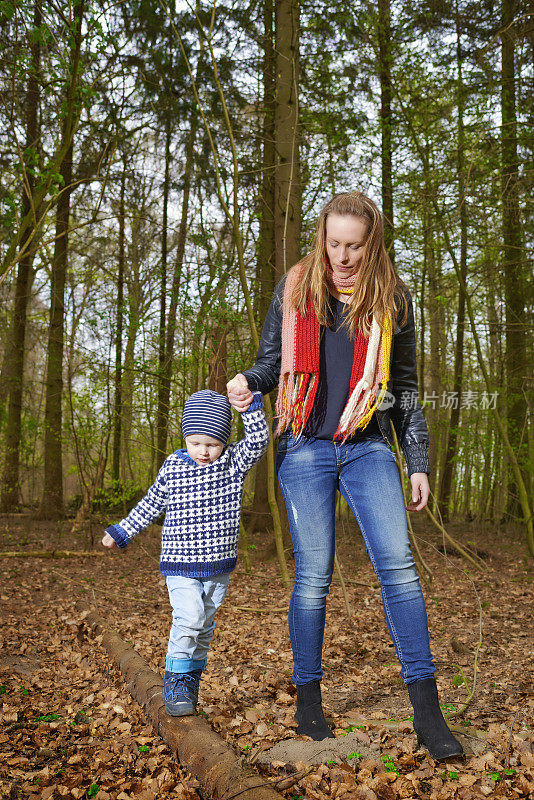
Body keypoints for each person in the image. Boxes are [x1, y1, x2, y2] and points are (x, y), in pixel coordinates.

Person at [227, 191, 463, 760]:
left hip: (369, 448)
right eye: (334, 243)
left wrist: (419, 460)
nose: (343, 256)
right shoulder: (295, 289)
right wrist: (247, 383)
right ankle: (308, 697)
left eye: (354, 245)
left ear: (371, 242)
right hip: (305, 447)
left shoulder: (393, 300)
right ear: (321, 238)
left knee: (400, 571)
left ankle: (427, 712)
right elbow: (269, 363)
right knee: (314, 576)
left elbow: (403, 389)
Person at [102, 389, 269, 716]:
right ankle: (175, 679)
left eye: (212, 444)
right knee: (189, 618)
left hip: (219, 567)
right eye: (196, 443)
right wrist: (122, 531)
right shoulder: (174, 467)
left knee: (204, 627)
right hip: (180, 563)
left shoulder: (233, 462)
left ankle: (190, 679)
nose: (204, 451)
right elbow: (152, 504)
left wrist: (249, 405)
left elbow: (259, 440)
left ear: (224, 441)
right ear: (185, 437)